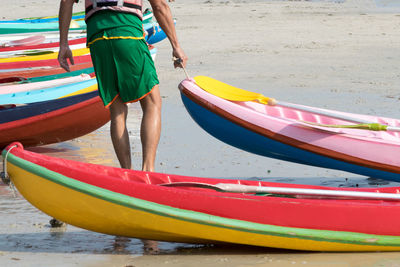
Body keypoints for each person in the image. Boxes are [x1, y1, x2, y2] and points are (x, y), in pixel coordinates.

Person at [58, 0, 187, 172]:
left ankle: (127, 173)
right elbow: (159, 6)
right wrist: (176, 46)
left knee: (117, 111)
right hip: (127, 32)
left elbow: (66, 2)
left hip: (97, 39)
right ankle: (148, 171)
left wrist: (64, 44)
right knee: (152, 103)